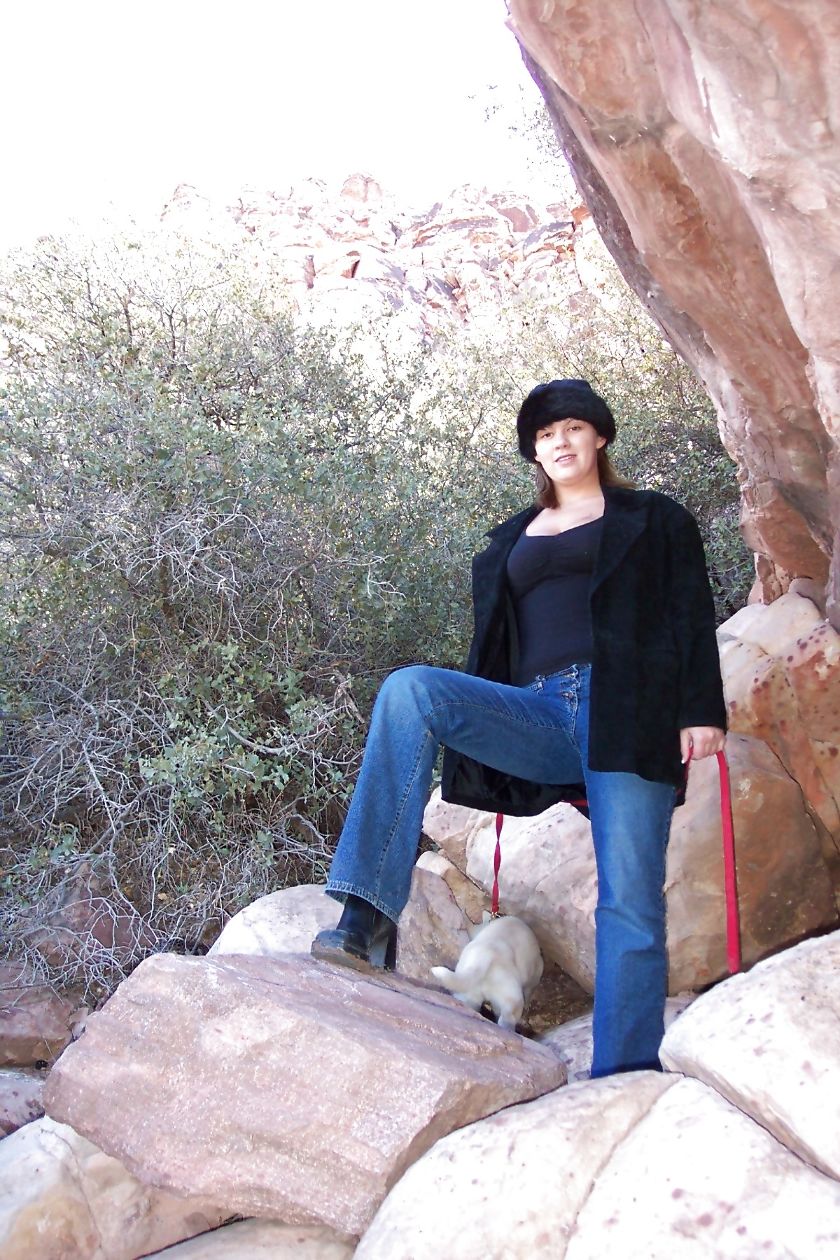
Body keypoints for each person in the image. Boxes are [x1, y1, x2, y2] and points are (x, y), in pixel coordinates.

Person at [312, 378, 726, 1077]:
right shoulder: (512, 537)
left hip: (627, 710)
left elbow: (690, 610)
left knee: (629, 900)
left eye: (572, 428)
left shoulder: (654, 518)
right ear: (534, 452)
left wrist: (701, 710)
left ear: (599, 436)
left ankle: (623, 1073)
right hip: (536, 711)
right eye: (544, 435)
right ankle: (365, 916)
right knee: (411, 691)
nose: (560, 443)